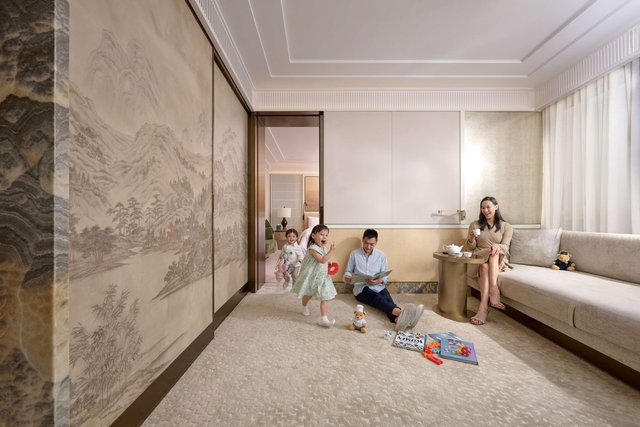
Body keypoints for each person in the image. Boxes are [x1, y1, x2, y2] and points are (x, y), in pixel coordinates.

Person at [343, 229, 424, 331]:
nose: (368, 246)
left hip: (378, 285)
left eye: (372, 244)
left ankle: (397, 320)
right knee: (377, 298)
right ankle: (404, 314)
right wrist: (347, 277)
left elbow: (385, 276)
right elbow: (348, 271)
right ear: (363, 240)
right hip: (361, 288)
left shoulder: (381, 255)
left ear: (376, 242)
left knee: (388, 301)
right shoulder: (354, 254)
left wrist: (380, 281)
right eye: (366, 243)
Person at [465, 196, 513, 325]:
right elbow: (471, 248)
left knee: (494, 253)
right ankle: (494, 292)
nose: (485, 210)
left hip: (498, 258)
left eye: (488, 207)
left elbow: (505, 247)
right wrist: (471, 239)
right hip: (480, 256)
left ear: (496, 207)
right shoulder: (475, 225)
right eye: (482, 208)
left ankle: (483, 309)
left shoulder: (506, 226)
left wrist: (497, 246)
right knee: (484, 265)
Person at [290, 224, 337, 327]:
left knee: (325, 297)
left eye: (326, 235)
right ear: (313, 236)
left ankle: (324, 319)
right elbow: (322, 260)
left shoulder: (323, 248)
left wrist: (329, 263)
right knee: (308, 294)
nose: (324, 237)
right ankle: (304, 306)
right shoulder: (312, 249)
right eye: (321, 234)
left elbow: (325, 259)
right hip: (312, 276)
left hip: (322, 277)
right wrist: (332, 251)